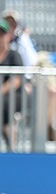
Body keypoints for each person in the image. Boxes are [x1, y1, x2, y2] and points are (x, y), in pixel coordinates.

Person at [1, 19, 25, 149]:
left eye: (1, 33)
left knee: (5, 105)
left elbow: (16, 80)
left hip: (12, 97)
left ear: (8, 35)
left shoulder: (14, 55)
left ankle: (11, 148)